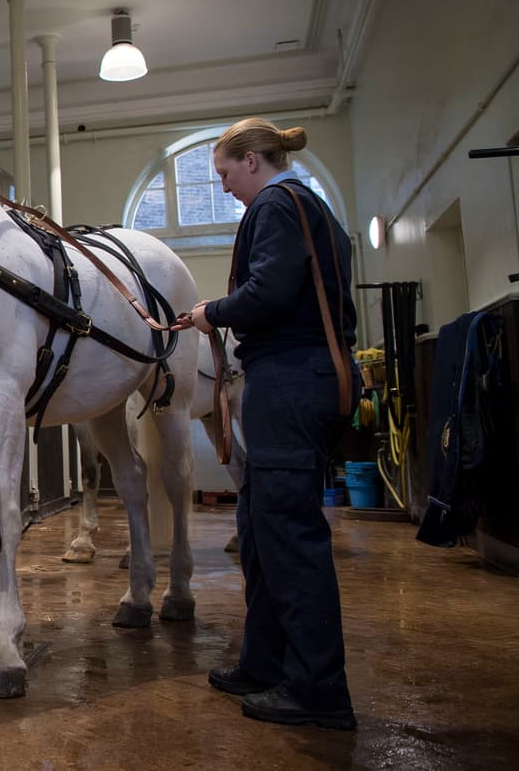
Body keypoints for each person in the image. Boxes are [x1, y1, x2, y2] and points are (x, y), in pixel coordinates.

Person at [187, 118, 361, 730]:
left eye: (226, 174)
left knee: (288, 535)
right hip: (294, 379)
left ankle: (318, 691)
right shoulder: (306, 209)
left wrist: (213, 313)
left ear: (252, 163)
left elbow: (269, 293)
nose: (226, 186)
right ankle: (265, 662)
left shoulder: (276, 206)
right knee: (262, 531)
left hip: (289, 380)